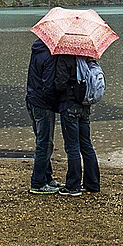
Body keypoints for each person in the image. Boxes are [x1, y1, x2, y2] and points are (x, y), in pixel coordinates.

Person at [53, 53, 101, 195]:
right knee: (86, 144)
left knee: (72, 146)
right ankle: (92, 184)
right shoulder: (88, 57)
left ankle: (73, 186)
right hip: (85, 106)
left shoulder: (65, 58)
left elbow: (60, 84)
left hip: (69, 106)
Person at [25, 38, 61, 194]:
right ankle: (38, 183)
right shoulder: (50, 56)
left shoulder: (37, 50)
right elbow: (48, 85)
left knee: (42, 141)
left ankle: (47, 178)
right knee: (45, 143)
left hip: (32, 99)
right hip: (43, 104)